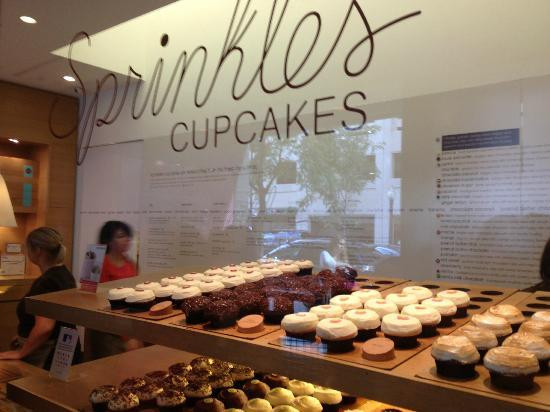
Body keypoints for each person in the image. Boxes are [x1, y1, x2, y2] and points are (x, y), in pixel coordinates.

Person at [0, 227, 81, 369]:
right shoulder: (63, 274)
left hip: (48, 354)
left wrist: (21, 353)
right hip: (66, 348)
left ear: (38, 250)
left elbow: (45, 327)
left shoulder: (47, 282)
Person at [86, 221, 141, 360]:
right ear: (108, 240)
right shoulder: (95, 259)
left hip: (127, 324)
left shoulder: (130, 263)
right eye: (121, 236)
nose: (127, 239)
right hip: (104, 326)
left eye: (128, 236)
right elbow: (88, 297)